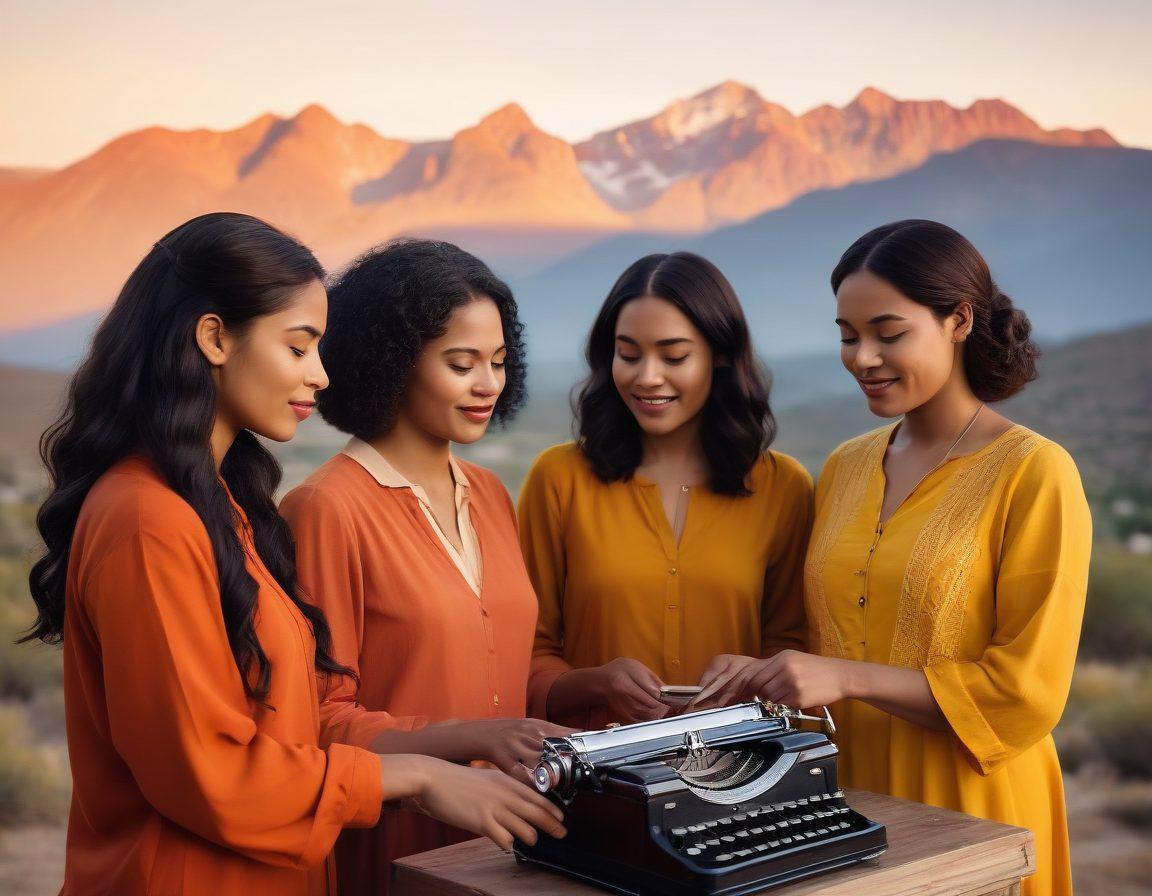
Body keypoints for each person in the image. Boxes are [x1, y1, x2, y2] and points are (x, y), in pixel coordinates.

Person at [24, 214, 564, 895]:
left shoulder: (220, 508)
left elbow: (297, 728)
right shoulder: (146, 519)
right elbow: (209, 775)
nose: (321, 374)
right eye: (300, 347)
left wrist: (470, 741)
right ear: (215, 338)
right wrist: (422, 776)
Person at [695, 220, 1090, 896]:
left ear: (959, 319)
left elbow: (1026, 692)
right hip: (845, 802)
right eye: (848, 337)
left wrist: (847, 678)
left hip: (972, 810)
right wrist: (768, 675)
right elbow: (828, 639)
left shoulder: (1035, 473)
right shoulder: (846, 468)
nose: (863, 358)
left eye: (888, 333)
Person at [280, 238, 569, 895]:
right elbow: (318, 722)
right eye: (461, 363)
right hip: (392, 842)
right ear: (393, 362)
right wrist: (474, 738)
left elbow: (503, 675)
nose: (488, 384)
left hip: (510, 844)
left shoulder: (492, 495)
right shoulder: (326, 508)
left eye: (498, 361)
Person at [518, 251, 812, 730]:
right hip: (597, 779)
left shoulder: (784, 488)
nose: (647, 377)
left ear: (719, 354)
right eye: (628, 355)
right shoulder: (558, 480)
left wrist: (754, 675)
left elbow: (792, 649)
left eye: (674, 356)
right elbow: (526, 654)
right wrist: (599, 682)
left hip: (737, 775)